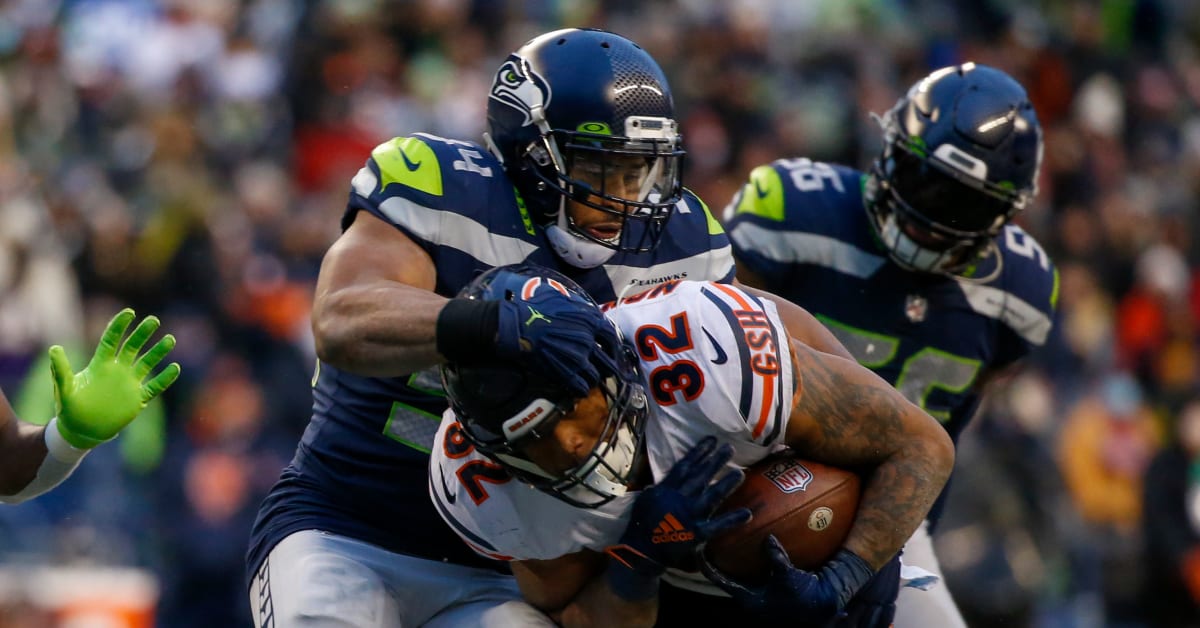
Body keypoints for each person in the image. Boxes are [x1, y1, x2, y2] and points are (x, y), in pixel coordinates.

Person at [245, 27, 851, 628]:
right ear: (531, 153)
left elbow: (765, 364)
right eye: (598, 166)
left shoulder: (681, 239)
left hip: (512, 569)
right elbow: (341, 317)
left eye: (639, 170)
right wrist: (494, 325)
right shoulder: (442, 185)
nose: (624, 196)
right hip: (347, 526)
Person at [431, 263, 955, 627]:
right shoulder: (486, 487)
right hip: (673, 597)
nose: (568, 445)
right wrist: (637, 560)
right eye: (532, 438)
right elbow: (576, 616)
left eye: (569, 407)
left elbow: (920, 444)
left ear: (611, 367)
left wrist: (844, 577)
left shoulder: (711, 356)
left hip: (823, 551)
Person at [721, 62, 1058, 628]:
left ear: (1004, 215)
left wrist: (888, 515)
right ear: (891, 147)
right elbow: (718, 340)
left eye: (964, 204)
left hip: (893, 506)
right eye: (926, 181)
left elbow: (974, 398)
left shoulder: (1021, 292)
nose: (932, 218)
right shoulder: (792, 211)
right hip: (753, 471)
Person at [0, 308, 180, 503]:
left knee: (105, 465)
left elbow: (6, 463)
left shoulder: (131, 374)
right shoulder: (68, 354)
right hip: (64, 479)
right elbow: (36, 401)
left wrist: (68, 436)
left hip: (108, 463)